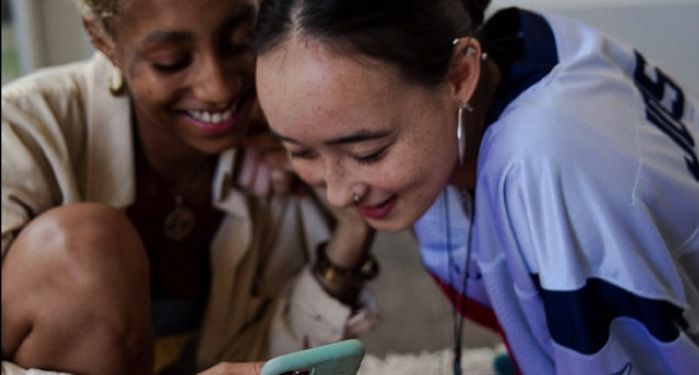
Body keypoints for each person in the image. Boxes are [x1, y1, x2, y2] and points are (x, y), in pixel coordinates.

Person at [254, 0, 699, 374]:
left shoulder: (548, 165)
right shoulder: (509, 47)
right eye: (301, 151)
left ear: (459, 76)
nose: (336, 193)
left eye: (368, 152)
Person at [1, 0, 379, 374]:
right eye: (171, 60)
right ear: (103, 41)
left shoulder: (286, 147)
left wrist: (352, 227)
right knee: (85, 247)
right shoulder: (20, 133)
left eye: (239, 41)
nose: (219, 89)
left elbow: (269, 358)